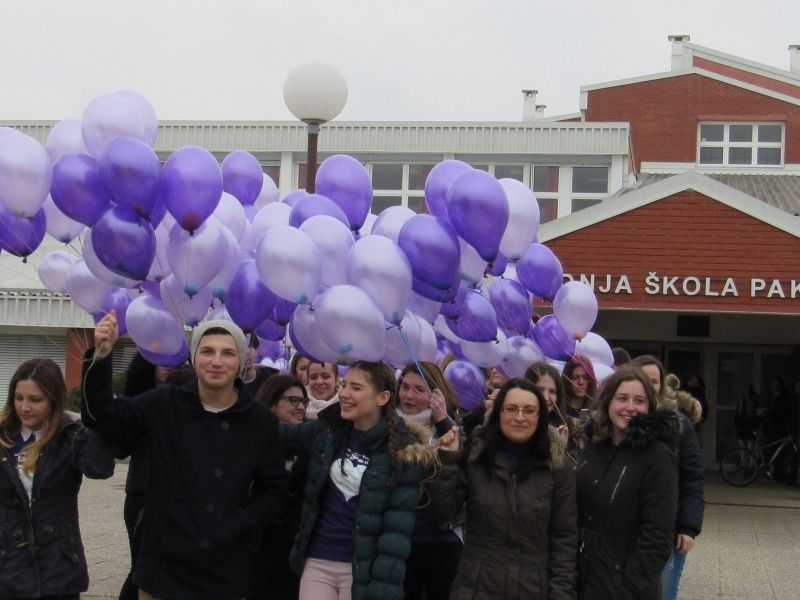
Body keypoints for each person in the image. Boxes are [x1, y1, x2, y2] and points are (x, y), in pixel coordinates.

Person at [82, 314, 288, 600]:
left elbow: (275, 489)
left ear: (240, 361)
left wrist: (241, 523)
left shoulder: (261, 422)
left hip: (224, 565)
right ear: (193, 359)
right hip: (163, 565)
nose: (217, 361)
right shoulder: (165, 403)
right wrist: (102, 356)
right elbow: (103, 416)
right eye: (207, 351)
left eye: (228, 353)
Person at [281, 361, 458, 600]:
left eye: (356, 388)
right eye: (344, 385)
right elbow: (279, 434)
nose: (344, 394)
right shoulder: (328, 431)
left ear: (382, 397)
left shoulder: (404, 450)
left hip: (362, 569)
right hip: (318, 559)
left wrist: (382, 588)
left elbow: (395, 534)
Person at [441, 378, 577, 599]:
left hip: (533, 588)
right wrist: (447, 462)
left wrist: (561, 594)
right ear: (498, 413)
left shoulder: (557, 466)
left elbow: (564, 540)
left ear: (540, 417)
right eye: (511, 409)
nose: (519, 417)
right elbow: (443, 512)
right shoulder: (475, 456)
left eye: (529, 411)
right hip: (476, 586)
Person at [0, 358, 115, 599]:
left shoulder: (70, 435)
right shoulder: (4, 437)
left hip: (58, 569)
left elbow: (99, 468)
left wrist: (98, 421)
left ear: (54, 399)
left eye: (35, 400)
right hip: (8, 568)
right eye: (19, 398)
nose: (24, 407)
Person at [576, 368, 678, 600]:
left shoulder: (657, 455)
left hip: (624, 588)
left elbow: (657, 537)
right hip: (584, 580)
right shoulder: (594, 447)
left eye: (639, 400)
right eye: (622, 398)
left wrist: (630, 588)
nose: (630, 407)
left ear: (650, 406)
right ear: (608, 401)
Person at [630, 355, 704, 600]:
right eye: (643, 379)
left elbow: (692, 479)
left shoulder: (680, 426)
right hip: (626, 530)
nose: (648, 386)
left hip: (667, 532)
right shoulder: (619, 422)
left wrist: (688, 527)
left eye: (654, 381)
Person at [395, 362, 461, 600]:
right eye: (404, 387)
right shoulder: (389, 426)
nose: (408, 396)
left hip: (441, 541)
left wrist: (443, 421)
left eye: (419, 390)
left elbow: (460, 464)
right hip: (399, 539)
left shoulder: (453, 425)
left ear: (436, 394)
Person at [118, 352, 178, 600]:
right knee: (140, 568)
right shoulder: (136, 402)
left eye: (172, 359)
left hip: (176, 492)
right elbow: (121, 446)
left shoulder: (186, 399)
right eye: (160, 360)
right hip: (142, 491)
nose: (167, 366)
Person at [247, 375, 310, 600]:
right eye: (293, 400)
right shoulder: (254, 441)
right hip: (258, 543)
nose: (300, 407)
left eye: (303, 401)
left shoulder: (310, 445)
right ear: (272, 402)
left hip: (294, 544)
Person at [734, 384, 761, 452]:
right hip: (742, 427)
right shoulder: (741, 400)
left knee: (750, 449)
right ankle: (745, 460)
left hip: (751, 427)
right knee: (743, 449)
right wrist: (736, 426)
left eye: (748, 390)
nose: (746, 391)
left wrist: (756, 427)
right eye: (745, 389)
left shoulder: (755, 400)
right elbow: (737, 414)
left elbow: (758, 415)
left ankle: (750, 459)